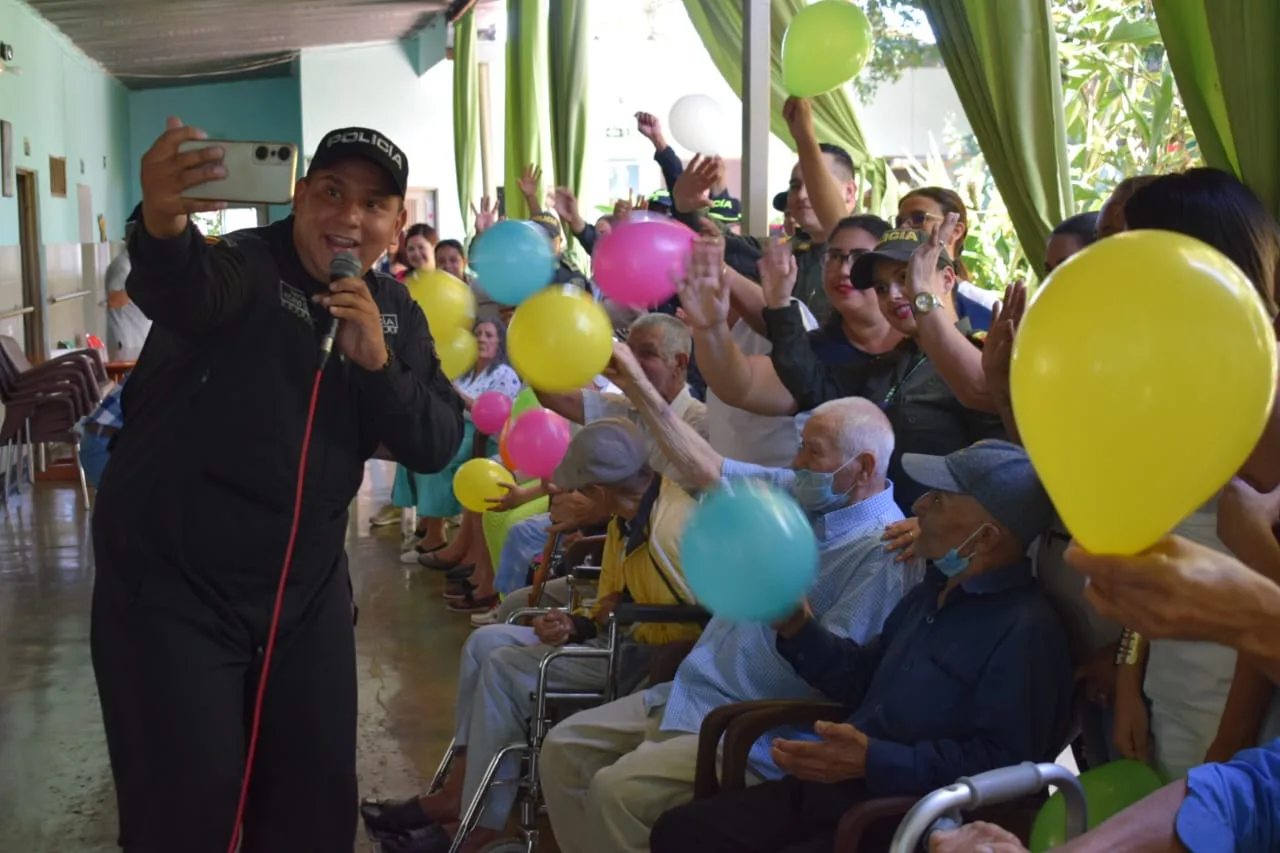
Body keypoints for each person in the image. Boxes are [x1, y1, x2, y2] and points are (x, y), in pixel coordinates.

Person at [92, 120, 463, 853]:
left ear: (395, 221)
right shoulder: (243, 264)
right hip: (175, 593)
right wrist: (164, 220)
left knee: (313, 814)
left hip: (305, 597)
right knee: (187, 811)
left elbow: (436, 438)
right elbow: (181, 286)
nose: (349, 216)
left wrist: (380, 364)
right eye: (331, 192)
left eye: (373, 203)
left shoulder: (393, 310)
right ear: (298, 197)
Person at [539, 346, 919, 853]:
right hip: (693, 690)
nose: (796, 462)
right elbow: (707, 469)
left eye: (812, 452)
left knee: (617, 794)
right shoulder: (804, 494)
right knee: (562, 750)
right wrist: (637, 386)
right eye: (800, 447)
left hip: (752, 726)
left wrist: (793, 621)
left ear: (862, 467)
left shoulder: (885, 551)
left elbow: (841, 677)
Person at [648, 440, 1072, 853]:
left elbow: (1006, 764)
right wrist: (798, 627)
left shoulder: (1025, 630)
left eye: (940, 501)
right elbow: (862, 678)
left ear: (985, 538)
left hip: (898, 816)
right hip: (831, 790)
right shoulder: (930, 595)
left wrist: (874, 760)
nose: (919, 505)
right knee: (681, 832)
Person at [360, 418, 704, 853]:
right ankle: (462, 789)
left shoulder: (669, 534)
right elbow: (610, 598)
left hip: (648, 659)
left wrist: (616, 620)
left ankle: (478, 820)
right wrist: (575, 623)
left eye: (574, 490)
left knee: (505, 668)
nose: (564, 497)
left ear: (597, 493)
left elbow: (707, 622)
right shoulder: (629, 517)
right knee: (483, 643)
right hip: (622, 637)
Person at [930, 538, 1280, 853]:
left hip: (1213, 686)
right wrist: (1127, 668)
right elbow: (1244, 794)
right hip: (1169, 680)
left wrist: (1253, 616)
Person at [684, 223, 1004, 513]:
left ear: (947, 279)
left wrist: (945, 524)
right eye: (880, 287)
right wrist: (758, 311)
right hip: (881, 550)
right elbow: (808, 383)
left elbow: (1004, 469)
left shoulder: (982, 358)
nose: (893, 294)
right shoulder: (888, 364)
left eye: (907, 278)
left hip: (956, 555)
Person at [535, 312, 709, 491]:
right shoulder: (628, 408)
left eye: (647, 353)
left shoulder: (698, 421)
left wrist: (598, 504)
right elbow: (554, 397)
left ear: (679, 363)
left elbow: (665, 499)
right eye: (628, 352)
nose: (630, 362)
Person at [403, 319, 520, 571]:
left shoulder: (504, 375)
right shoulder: (465, 371)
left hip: (484, 438)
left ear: (500, 342)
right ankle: (425, 523)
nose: (482, 339)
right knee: (410, 445)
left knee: (435, 453)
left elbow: (489, 417)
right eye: (478, 333)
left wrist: (455, 394)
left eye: (489, 335)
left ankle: (436, 535)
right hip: (455, 427)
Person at [895, 188, 998, 329]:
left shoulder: (983, 303)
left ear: (956, 230)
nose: (903, 228)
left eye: (918, 218)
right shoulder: (892, 299)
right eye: (899, 221)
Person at [103, 206, 152, 350]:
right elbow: (114, 300)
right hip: (125, 341)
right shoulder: (122, 265)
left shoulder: (139, 264)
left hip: (139, 337)